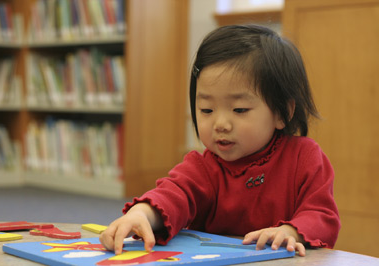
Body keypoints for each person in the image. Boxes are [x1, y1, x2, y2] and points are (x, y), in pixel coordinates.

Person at [100, 24, 341, 257]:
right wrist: (142, 213)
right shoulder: (203, 167)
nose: (220, 124)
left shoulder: (305, 157)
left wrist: (291, 232)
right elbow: (174, 194)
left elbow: (321, 214)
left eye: (239, 109)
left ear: (282, 113)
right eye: (206, 110)